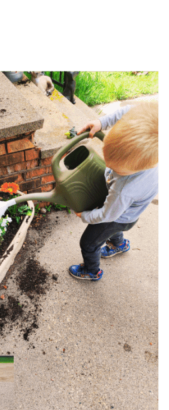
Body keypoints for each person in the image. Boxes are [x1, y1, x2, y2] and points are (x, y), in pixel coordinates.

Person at [69, 101, 159, 281]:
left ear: (134, 170)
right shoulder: (151, 129)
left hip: (115, 216)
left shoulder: (124, 190)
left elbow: (107, 215)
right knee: (117, 224)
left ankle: (91, 270)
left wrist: (85, 215)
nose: (108, 166)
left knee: (88, 243)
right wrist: (102, 123)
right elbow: (129, 111)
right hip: (126, 214)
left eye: (117, 169)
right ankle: (119, 244)